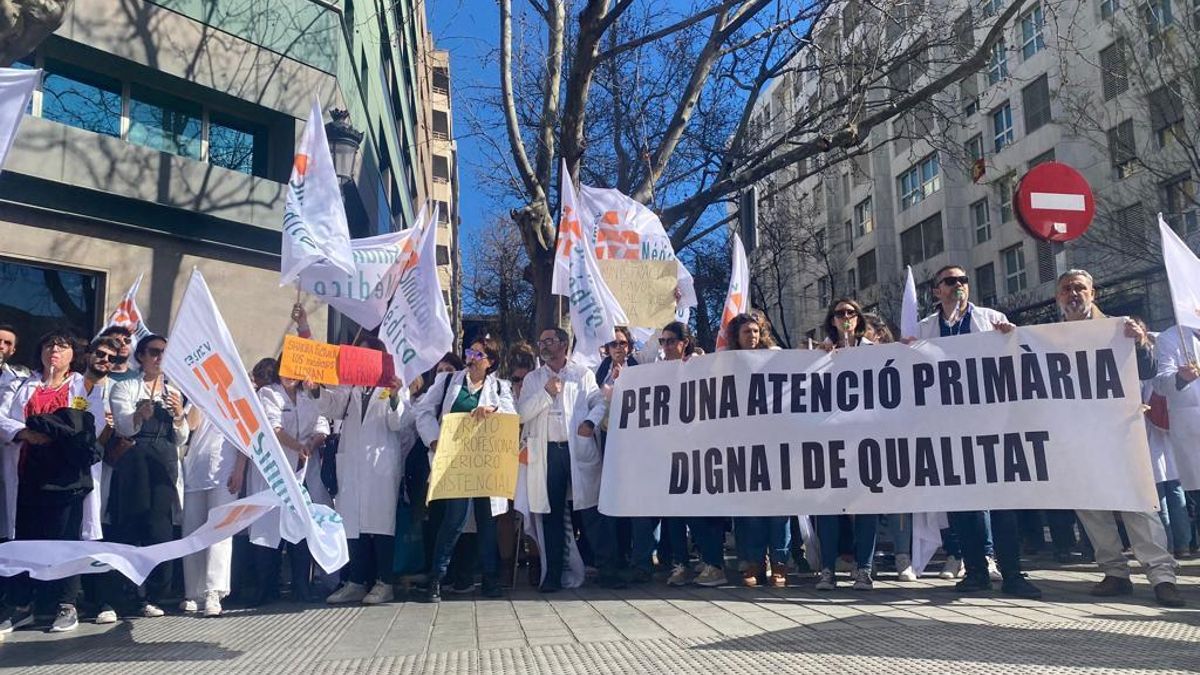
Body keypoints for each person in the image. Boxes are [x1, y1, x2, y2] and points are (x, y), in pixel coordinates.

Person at [1047, 270, 1184, 606]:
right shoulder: (1046, 337)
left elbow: (1148, 370)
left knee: (1137, 503)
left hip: (1119, 431)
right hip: (1075, 434)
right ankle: (1114, 572)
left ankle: (1162, 576)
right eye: (1066, 289)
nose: (1073, 294)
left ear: (1093, 293)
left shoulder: (1118, 328)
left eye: (1080, 288)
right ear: (1058, 297)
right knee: (1091, 505)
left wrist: (1139, 342)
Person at [910, 265, 1042, 599]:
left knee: (1002, 504)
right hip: (950, 430)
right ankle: (975, 572)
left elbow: (1016, 360)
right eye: (950, 281)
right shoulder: (925, 328)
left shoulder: (992, 319)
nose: (958, 285)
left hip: (991, 426)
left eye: (963, 280)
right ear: (937, 290)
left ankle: (1012, 573)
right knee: (962, 505)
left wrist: (1010, 337)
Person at [0, 331, 109, 634]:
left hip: (67, 475)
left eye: (62, 346)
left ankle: (66, 603)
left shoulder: (83, 386)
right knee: (25, 539)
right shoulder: (22, 384)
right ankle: (21, 605)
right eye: (49, 345)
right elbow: (2, 417)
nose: (55, 351)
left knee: (66, 538)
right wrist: (24, 432)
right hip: (28, 471)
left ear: (74, 355)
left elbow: (92, 422)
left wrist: (55, 430)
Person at [416, 336, 515, 601]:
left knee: (487, 522)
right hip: (456, 463)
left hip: (485, 465)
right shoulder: (447, 381)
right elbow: (423, 411)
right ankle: (437, 578)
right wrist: (434, 440)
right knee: (454, 520)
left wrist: (492, 410)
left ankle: (490, 579)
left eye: (478, 355)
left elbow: (510, 417)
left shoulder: (500, 388)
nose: (471, 358)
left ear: (490, 362)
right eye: (470, 352)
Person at [517, 327, 617, 591]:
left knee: (591, 511)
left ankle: (609, 569)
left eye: (549, 341)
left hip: (577, 449)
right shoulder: (533, 379)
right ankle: (553, 575)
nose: (544, 346)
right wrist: (546, 393)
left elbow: (599, 403)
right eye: (541, 342)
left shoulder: (581, 374)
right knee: (552, 515)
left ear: (563, 344)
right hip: (548, 453)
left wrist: (590, 423)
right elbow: (521, 413)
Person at [318, 335, 413, 605]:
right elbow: (333, 407)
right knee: (352, 523)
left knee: (381, 525)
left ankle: (384, 583)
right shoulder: (351, 385)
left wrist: (394, 397)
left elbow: (399, 422)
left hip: (380, 465)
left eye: (366, 354)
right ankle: (356, 582)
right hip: (352, 463)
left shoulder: (392, 384)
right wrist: (315, 391)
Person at [106, 334, 189, 618]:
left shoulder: (173, 391)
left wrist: (179, 415)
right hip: (135, 459)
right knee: (129, 525)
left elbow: (181, 438)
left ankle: (155, 594)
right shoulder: (126, 387)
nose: (159, 357)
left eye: (164, 352)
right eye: (154, 352)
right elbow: (123, 427)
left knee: (160, 528)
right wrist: (138, 416)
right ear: (140, 356)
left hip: (163, 462)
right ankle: (123, 594)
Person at [243, 362, 330, 605]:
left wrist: (311, 444)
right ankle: (265, 589)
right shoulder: (268, 393)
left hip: (303, 469)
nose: (290, 375)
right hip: (274, 470)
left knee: (299, 527)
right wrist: (297, 446)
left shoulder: (310, 394)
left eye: (295, 370)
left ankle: (301, 587)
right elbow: (274, 428)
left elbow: (322, 425)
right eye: (286, 369)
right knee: (267, 528)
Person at [814, 300, 879, 591]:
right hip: (830, 442)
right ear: (832, 320)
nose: (845, 317)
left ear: (858, 319)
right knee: (828, 506)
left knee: (866, 505)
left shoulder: (874, 351)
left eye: (851, 313)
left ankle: (864, 568)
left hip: (866, 440)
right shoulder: (820, 354)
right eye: (839, 314)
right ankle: (828, 569)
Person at [725, 313, 791, 587]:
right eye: (746, 332)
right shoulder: (728, 362)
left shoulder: (776, 357)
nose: (751, 336)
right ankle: (754, 562)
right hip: (746, 446)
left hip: (777, 444)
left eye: (755, 331)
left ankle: (779, 563)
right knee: (751, 510)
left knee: (779, 509)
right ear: (736, 337)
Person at [179, 403, 239, 618]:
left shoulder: (238, 394)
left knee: (220, 532)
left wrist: (240, 469)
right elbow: (192, 425)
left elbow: (246, 435)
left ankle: (214, 592)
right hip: (196, 468)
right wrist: (198, 397)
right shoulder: (198, 394)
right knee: (192, 531)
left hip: (225, 470)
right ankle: (194, 593)